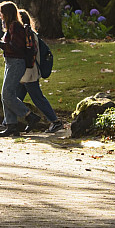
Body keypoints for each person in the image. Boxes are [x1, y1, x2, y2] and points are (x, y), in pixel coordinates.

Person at [16, 10, 71, 138]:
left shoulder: (27, 34)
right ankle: (9, 123)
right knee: (16, 97)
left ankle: (55, 121)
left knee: (37, 98)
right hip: (26, 72)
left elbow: (28, 54)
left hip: (28, 72)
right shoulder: (30, 33)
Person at [0, 0, 32, 137]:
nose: (0, 15)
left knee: (7, 93)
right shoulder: (10, 27)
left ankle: (29, 115)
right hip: (11, 62)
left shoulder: (15, 26)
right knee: (6, 94)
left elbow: (15, 47)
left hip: (17, 62)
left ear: (6, 13)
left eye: (1, 13)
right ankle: (11, 125)